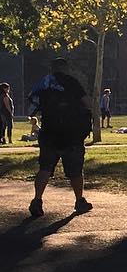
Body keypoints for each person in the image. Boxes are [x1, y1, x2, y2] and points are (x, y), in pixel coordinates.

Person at [26, 57, 93, 217]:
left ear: (52, 69)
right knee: (75, 170)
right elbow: (87, 103)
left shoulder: (44, 84)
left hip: (49, 133)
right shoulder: (72, 82)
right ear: (65, 68)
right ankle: (79, 200)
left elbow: (33, 106)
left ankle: (37, 200)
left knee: (45, 168)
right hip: (71, 134)